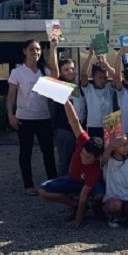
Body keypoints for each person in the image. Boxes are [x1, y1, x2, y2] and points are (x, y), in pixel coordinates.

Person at [38, 101, 105, 227]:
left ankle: (96, 207)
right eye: (83, 154)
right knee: (43, 190)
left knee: (99, 194)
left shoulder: (95, 170)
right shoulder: (83, 140)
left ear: (97, 158)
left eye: (88, 158)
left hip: (89, 185)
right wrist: (65, 100)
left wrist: (78, 220)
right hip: (72, 179)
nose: (84, 158)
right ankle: (74, 204)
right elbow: (74, 121)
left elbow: (84, 195)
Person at [6, 39, 57, 194]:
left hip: (43, 117)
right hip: (24, 118)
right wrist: (10, 114)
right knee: (25, 152)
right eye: (32, 49)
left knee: (48, 151)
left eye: (38, 50)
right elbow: (11, 95)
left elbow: (56, 75)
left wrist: (53, 48)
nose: (35, 53)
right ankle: (28, 185)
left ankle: (52, 183)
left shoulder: (44, 70)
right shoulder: (17, 72)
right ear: (25, 51)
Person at [49, 37, 87, 176]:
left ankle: (73, 185)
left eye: (72, 68)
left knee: (77, 160)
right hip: (64, 130)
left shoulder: (78, 87)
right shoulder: (59, 86)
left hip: (80, 130)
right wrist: (53, 47)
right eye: (66, 70)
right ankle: (62, 189)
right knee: (65, 161)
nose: (70, 71)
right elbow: (53, 70)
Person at [100, 136, 128, 229]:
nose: (126, 147)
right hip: (112, 198)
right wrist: (110, 147)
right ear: (114, 147)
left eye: (127, 144)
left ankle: (126, 215)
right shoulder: (108, 161)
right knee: (115, 205)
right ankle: (112, 216)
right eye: (121, 145)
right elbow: (103, 160)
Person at [80, 46, 116, 139]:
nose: (103, 80)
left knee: (108, 150)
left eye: (105, 78)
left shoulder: (109, 88)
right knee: (94, 151)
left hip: (110, 125)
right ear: (93, 77)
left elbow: (117, 77)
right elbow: (83, 73)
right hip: (93, 126)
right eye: (100, 77)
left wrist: (105, 63)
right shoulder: (88, 89)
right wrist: (90, 55)